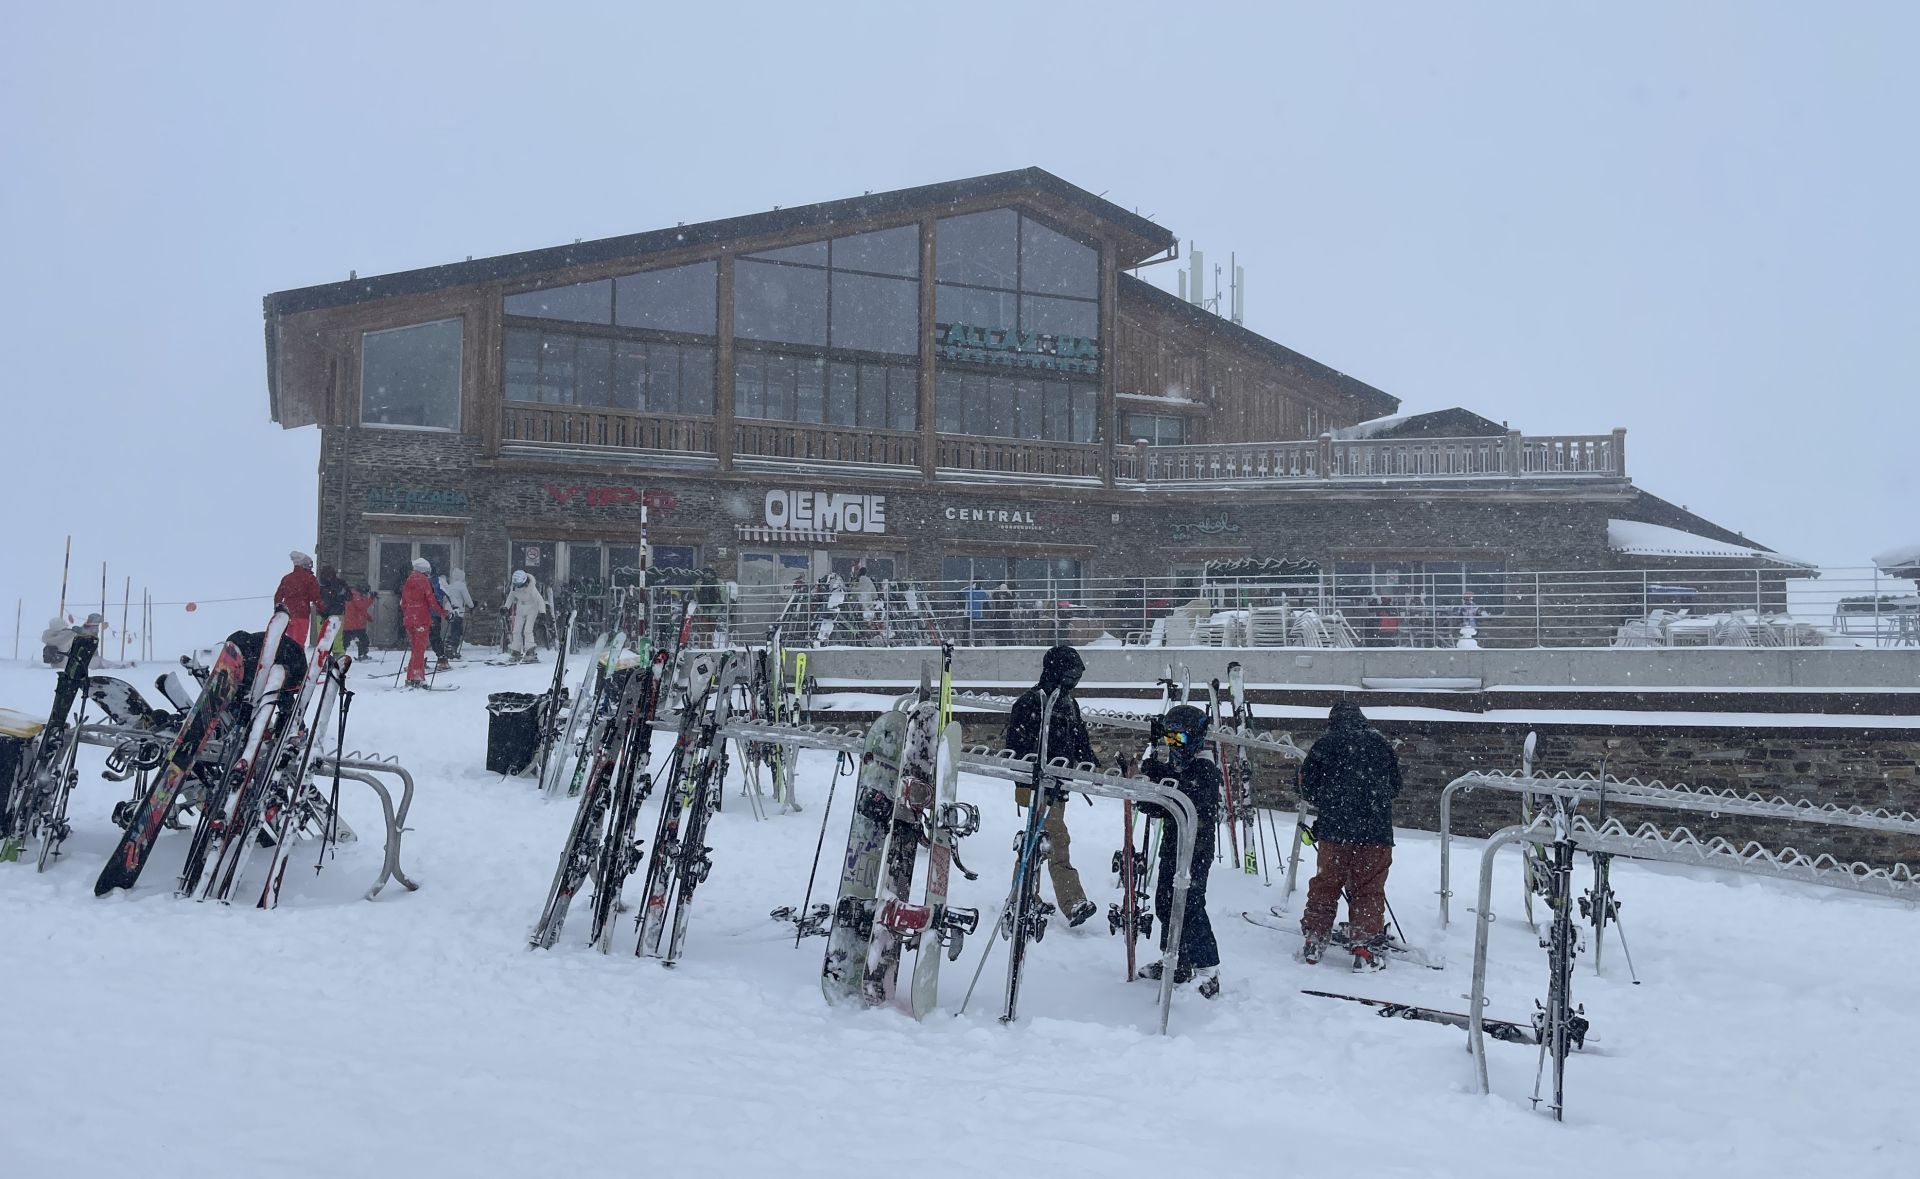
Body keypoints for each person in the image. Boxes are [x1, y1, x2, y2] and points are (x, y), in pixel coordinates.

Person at [1297, 699, 1403, 969]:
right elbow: (1395, 786)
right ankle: (1364, 945)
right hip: (1375, 833)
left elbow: (1307, 788)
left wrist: (1332, 800)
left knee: (1326, 883)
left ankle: (1314, 938)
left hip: (1334, 831)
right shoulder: (1380, 745)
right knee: (1368, 888)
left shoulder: (1324, 745)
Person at [1003, 644, 1098, 928]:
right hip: (1038, 784)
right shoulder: (1031, 703)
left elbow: (1078, 739)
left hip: (1058, 784)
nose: (1073, 681)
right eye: (1069, 674)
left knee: (1037, 843)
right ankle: (1071, 901)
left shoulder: (1068, 703)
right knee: (1055, 840)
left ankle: (1022, 895)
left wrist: (1088, 761)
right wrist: (1025, 779)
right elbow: (1016, 747)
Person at [1136, 703, 1222, 997]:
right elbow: (1164, 806)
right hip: (1173, 842)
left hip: (1196, 845)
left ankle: (1207, 968)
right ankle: (1175, 959)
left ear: (1195, 738)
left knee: (1190, 902)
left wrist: (1161, 780)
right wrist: (1152, 789)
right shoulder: (1179, 765)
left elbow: (1190, 798)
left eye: (1180, 739)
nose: (1174, 746)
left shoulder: (1204, 768)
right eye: (1169, 739)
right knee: (1165, 900)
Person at [399, 557, 444, 688]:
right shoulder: (424, 581)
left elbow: (403, 602)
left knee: (415, 649)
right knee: (420, 649)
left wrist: (407, 614)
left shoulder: (408, 580)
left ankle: (410, 677)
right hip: (421, 619)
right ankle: (418, 677)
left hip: (409, 619)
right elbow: (431, 600)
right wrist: (442, 612)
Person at [274, 551, 324, 646]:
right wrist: (324, 609)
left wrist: (278, 611)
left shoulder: (287, 578)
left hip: (287, 616)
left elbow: (278, 597)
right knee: (298, 644)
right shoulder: (310, 578)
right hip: (302, 615)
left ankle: (287, 660)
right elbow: (315, 597)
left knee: (288, 643)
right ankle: (297, 660)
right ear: (305, 565)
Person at [504, 570, 546, 664]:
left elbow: (540, 600)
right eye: (516, 585)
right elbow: (511, 597)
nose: (518, 587)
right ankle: (516, 651)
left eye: (520, 585)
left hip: (532, 608)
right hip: (520, 608)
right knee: (516, 630)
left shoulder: (531, 588)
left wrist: (543, 613)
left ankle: (530, 651)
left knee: (527, 630)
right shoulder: (514, 587)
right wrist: (506, 607)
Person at [441, 568, 475, 659]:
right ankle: (453, 650)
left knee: (451, 629)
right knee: (457, 630)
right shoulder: (461, 586)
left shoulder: (450, 586)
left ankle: (447, 647)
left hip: (449, 610)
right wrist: (471, 606)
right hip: (458, 610)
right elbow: (467, 598)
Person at [316, 564, 349, 653]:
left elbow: (349, 596)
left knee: (325, 639)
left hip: (331, 614)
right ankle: (327, 657)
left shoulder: (339, 583)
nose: (328, 577)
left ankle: (329, 656)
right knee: (326, 639)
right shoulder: (319, 585)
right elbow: (348, 596)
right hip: (327, 614)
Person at [342, 582, 376, 659]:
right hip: (356, 624)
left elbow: (360, 610)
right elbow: (362, 606)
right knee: (364, 640)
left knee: (345, 641)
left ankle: (340, 654)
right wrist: (371, 598)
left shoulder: (353, 595)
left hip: (350, 623)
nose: (366, 593)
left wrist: (368, 617)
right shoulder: (356, 595)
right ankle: (362, 655)